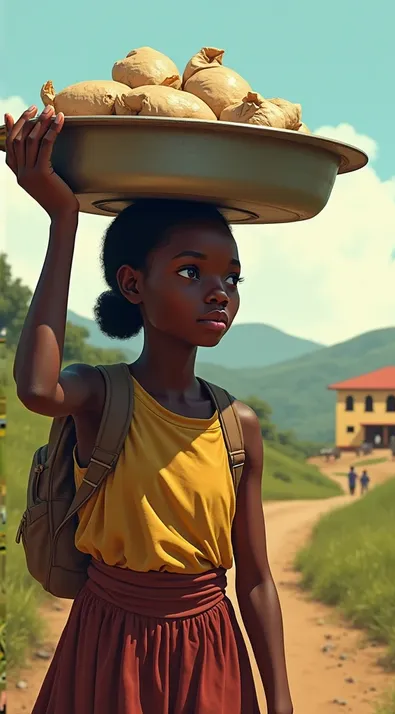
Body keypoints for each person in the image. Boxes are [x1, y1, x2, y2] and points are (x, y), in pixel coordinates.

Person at [5, 105, 293, 714]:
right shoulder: (100, 395)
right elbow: (36, 387)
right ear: (133, 284)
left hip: (211, 652)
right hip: (110, 649)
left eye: (232, 277)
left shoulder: (237, 426)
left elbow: (258, 579)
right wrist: (63, 217)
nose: (220, 291)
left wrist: (282, 702)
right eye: (192, 271)